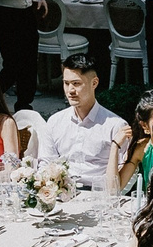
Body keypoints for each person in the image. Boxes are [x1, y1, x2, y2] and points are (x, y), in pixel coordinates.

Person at [43, 53, 130, 191]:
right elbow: (46, 163)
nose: (70, 90)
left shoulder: (115, 126)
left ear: (94, 83)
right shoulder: (55, 122)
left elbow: (122, 175)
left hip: (99, 195)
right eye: (66, 83)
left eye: (76, 83)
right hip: (62, 194)